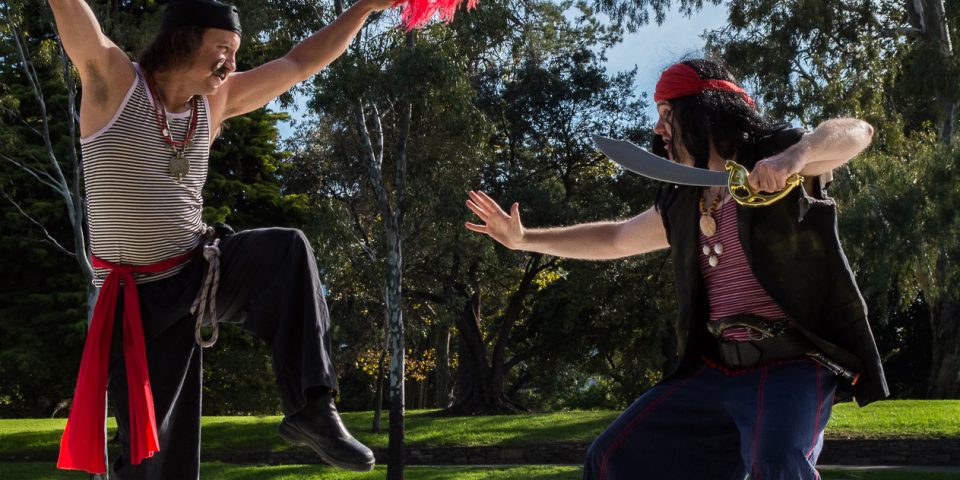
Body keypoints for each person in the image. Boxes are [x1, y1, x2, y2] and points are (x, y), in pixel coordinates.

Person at [465, 58, 889, 480]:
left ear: (704, 111)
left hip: (791, 366)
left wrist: (795, 157)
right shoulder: (686, 198)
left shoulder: (777, 157)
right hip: (715, 371)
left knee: (777, 466)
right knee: (613, 457)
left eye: (667, 114)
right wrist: (525, 240)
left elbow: (858, 132)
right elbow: (616, 238)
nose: (657, 129)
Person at [48, 0, 397, 476]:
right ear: (183, 41)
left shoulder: (214, 102)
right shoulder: (113, 82)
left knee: (287, 249)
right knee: (154, 455)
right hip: (138, 304)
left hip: (199, 272)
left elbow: (298, 63)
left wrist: (364, 8)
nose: (231, 66)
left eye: (235, 55)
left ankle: (312, 410)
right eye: (223, 51)